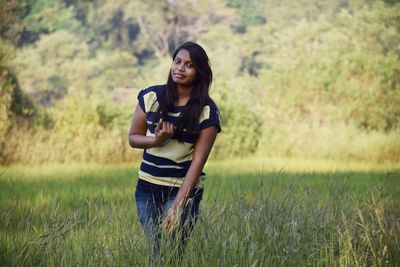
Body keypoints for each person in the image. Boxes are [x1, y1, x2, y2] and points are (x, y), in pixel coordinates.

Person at [128, 41, 221, 261]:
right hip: (147, 187)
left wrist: (178, 205)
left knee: (174, 252)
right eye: (177, 61)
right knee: (156, 250)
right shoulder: (151, 97)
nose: (180, 68)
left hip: (182, 189)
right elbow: (133, 138)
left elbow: (198, 163)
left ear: (200, 73)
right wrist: (157, 140)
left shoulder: (207, 111)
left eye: (189, 65)